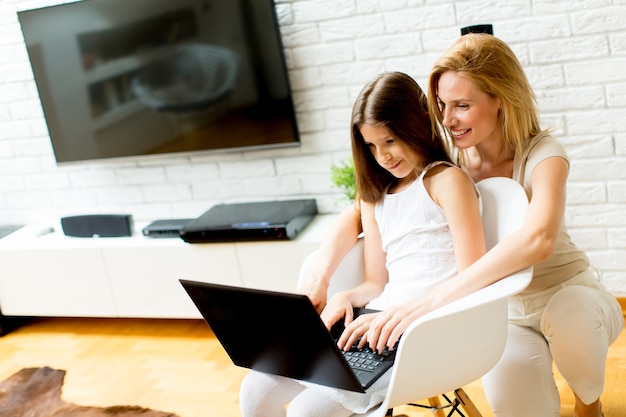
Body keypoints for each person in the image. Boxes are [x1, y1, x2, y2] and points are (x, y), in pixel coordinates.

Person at [301, 33, 624, 417]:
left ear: (500, 99)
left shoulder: (543, 154)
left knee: (569, 313)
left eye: (462, 105)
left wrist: (428, 301)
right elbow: (359, 209)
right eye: (441, 104)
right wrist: (321, 277)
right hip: (505, 313)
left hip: (569, 293)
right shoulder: (450, 164)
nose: (446, 119)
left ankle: (590, 403)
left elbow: (538, 239)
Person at [240, 71, 487, 417]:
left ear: (415, 126)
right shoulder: (376, 199)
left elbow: (473, 276)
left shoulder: (446, 181)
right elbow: (376, 282)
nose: (382, 155)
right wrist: (346, 296)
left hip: (429, 330)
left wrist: (403, 314)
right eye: (371, 146)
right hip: (377, 326)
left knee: (307, 411)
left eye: (389, 141)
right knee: (254, 390)